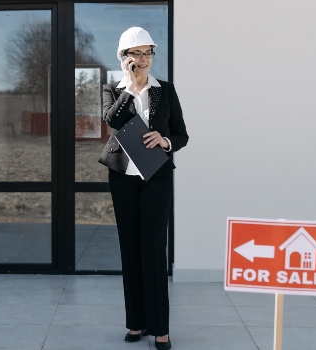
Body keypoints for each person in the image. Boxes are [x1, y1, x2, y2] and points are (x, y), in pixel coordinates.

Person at [101, 27, 188, 350]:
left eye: (148, 52)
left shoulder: (166, 90)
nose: (144, 59)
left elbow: (181, 134)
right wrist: (132, 87)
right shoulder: (113, 89)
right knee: (131, 249)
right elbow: (112, 120)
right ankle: (136, 323)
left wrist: (164, 141)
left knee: (153, 250)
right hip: (123, 178)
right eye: (136, 53)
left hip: (157, 177)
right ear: (124, 58)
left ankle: (160, 328)